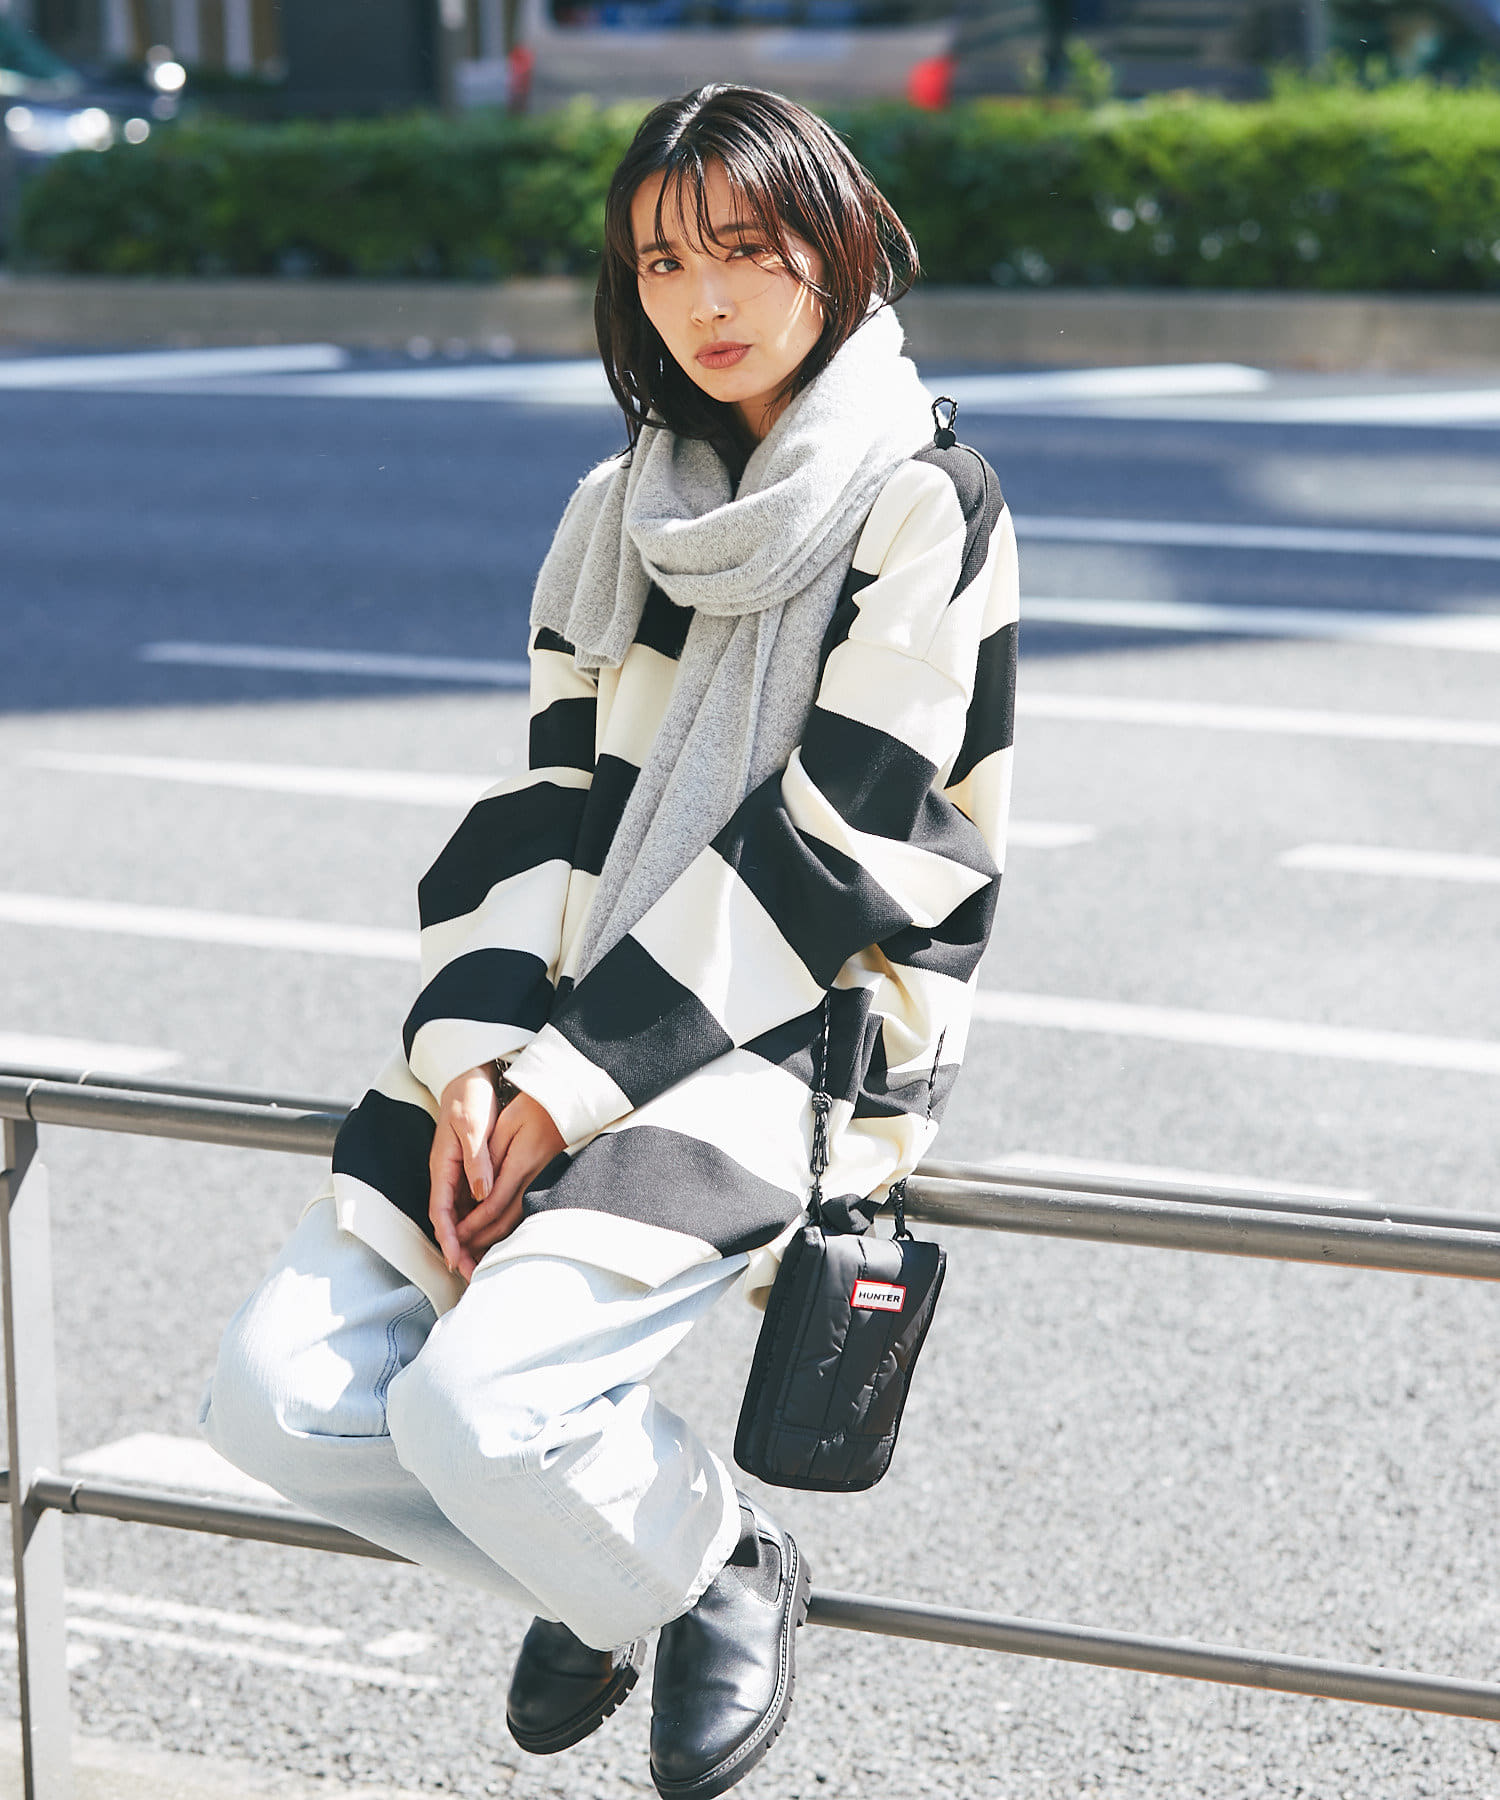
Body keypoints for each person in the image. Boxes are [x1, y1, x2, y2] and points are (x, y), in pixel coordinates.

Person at [200, 82, 1018, 1800]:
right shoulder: (616, 510)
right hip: (561, 1018)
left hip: (786, 1029)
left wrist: (567, 1090)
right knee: (273, 1399)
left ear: (836, 245)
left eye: (745, 249)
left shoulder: (926, 501)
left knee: (477, 1412)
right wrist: (475, 1061)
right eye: (660, 262)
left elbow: (841, 846)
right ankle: (642, 1567)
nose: (702, 300)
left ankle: (695, 1564)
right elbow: (544, 808)